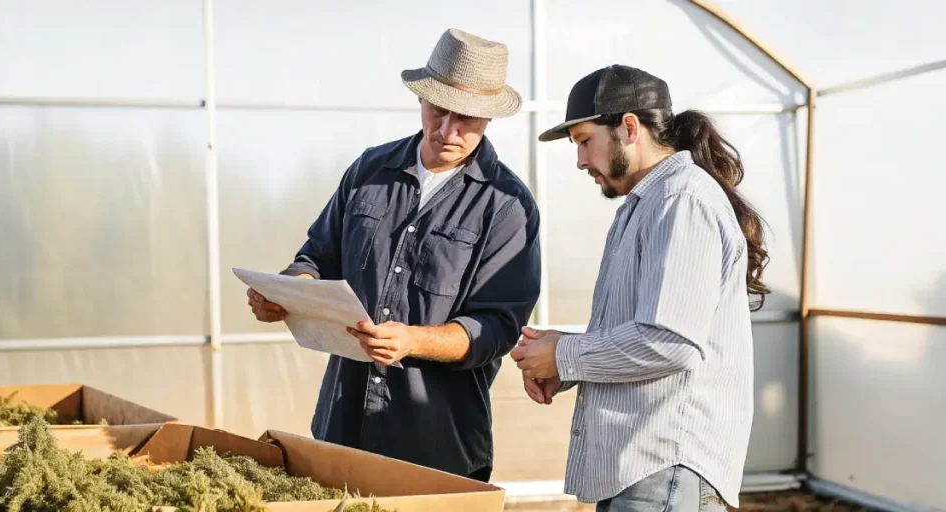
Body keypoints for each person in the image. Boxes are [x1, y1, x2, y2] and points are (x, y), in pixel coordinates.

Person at [246, 28, 541, 482]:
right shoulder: (369, 170)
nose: (447, 130)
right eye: (438, 111)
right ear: (421, 100)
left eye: (466, 119)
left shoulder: (507, 206)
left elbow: (498, 327)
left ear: (488, 119)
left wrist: (413, 340)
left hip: (437, 444)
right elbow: (317, 257)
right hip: (342, 428)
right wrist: (288, 294)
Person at [510, 64, 770, 510]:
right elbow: (646, 332)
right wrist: (565, 365)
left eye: (584, 141)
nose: (579, 161)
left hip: (664, 470)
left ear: (629, 127)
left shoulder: (682, 201)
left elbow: (670, 341)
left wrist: (563, 353)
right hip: (645, 471)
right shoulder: (647, 204)